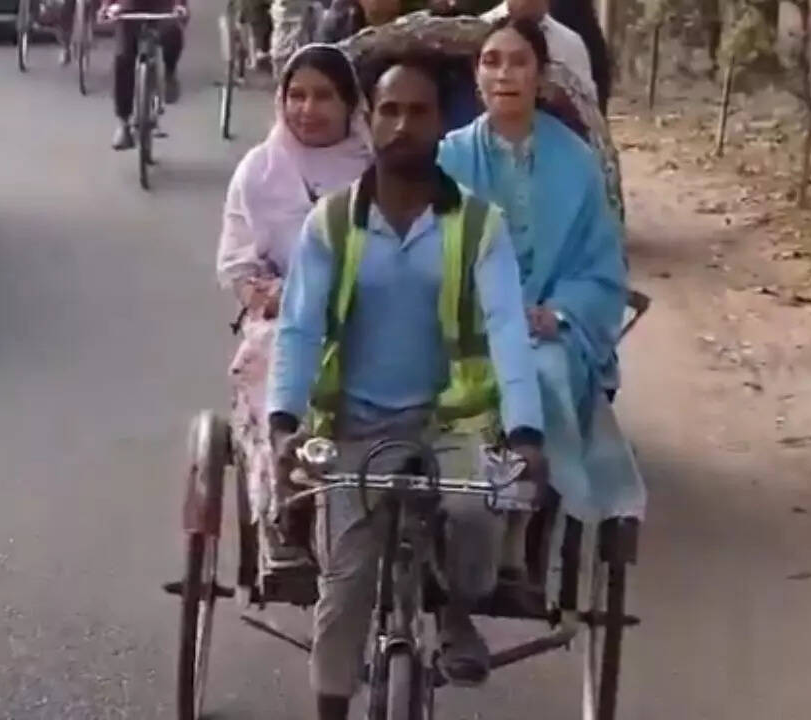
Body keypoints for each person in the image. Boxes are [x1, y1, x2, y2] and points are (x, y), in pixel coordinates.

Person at [266, 55, 546, 720]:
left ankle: (456, 612)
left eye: (418, 111)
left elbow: (509, 328)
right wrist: (284, 420)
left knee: (477, 520)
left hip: (453, 423)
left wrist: (528, 432)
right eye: (388, 110)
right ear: (371, 119)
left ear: (441, 124)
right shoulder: (331, 224)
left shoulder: (480, 226)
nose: (401, 124)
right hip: (356, 428)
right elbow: (300, 330)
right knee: (343, 592)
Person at [439, 17, 634, 527]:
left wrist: (558, 313)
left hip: (546, 332)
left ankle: (522, 517)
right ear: (476, 76)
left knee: (541, 373)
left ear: (541, 77)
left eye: (519, 62)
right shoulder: (447, 157)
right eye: (491, 62)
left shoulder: (577, 163)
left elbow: (601, 269)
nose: (504, 74)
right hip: (462, 324)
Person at [217, 44, 373, 568]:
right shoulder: (258, 171)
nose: (308, 109)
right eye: (296, 95)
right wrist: (273, 294)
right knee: (278, 371)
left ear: (351, 104)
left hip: (368, 317)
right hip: (281, 318)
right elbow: (239, 267)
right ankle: (289, 509)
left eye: (324, 96)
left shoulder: (379, 173)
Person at [100, 0, 189, 150]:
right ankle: (124, 123)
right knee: (123, 58)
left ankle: (169, 72)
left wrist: (180, 5)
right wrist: (106, 7)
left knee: (173, 34)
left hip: (163, 7)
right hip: (128, 8)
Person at [480, 0, 596, 104]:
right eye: (492, 62)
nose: (504, 74)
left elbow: (589, 110)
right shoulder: (474, 32)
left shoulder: (570, 42)